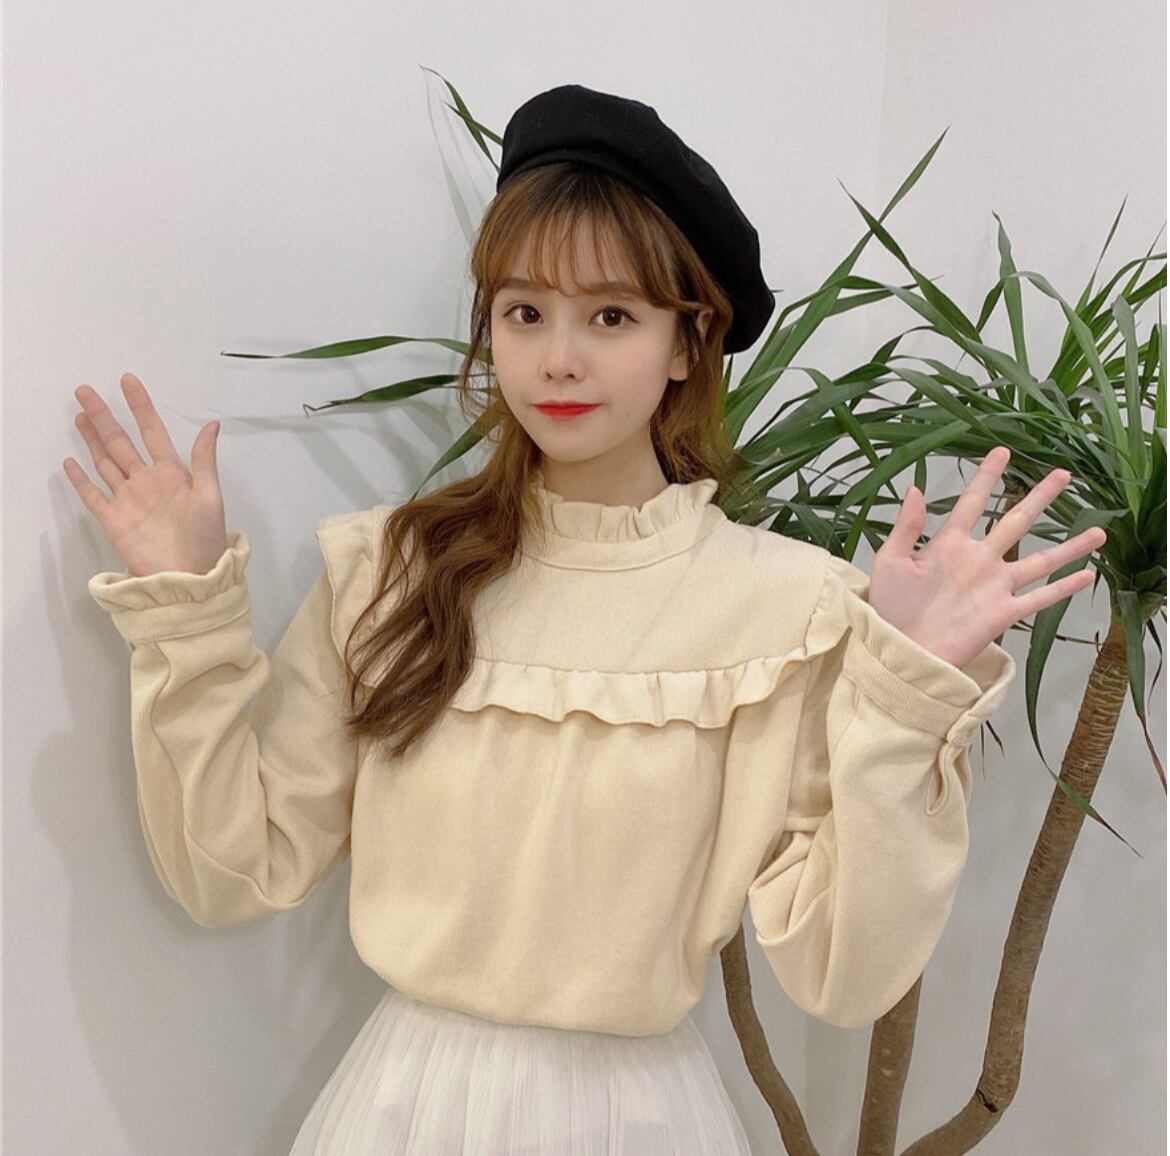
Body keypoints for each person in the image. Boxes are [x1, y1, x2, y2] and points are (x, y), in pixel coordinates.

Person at [64, 84, 1104, 1155]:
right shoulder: (392, 570)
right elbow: (235, 865)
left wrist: (907, 689)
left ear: (689, 343)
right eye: (525, 312)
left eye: (611, 316)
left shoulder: (786, 608)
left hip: (641, 1119)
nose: (559, 357)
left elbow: (845, 974)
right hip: (405, 1113)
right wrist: (185, 611)